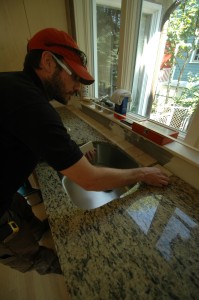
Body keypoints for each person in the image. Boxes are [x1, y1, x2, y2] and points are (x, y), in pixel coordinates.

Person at [0, 28, 169, 275]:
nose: (79, 88)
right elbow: (90, 180)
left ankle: (40, 232)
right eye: (75, 78)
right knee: (21, 249)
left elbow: (27, 137)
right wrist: (142, 173)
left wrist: (70, 153)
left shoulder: (15, 86)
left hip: (7, 190)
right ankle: (69, 270)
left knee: (22, 214)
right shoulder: (32, 104)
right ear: (48, 62)